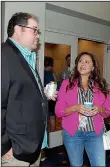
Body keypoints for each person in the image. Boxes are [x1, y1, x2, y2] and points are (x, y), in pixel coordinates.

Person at [1, 12, 57, 166]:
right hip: (15, 151)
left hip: (31, 146)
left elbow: (18, 95)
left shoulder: (27, 57)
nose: (38, 35)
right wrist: (4, 147)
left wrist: (42, 96)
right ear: (18, 29)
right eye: (35, 30)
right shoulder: (3, 55)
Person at [55, 52, 110, 166]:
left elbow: (107, 111)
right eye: (80, 61)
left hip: (95, 134)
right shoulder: (67, 84)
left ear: (93, 67)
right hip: (73, 134)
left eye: (87, 62)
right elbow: (58, 111)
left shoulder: (101, 85)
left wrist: (99, 109)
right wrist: (75, 108)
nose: (83, 64)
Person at [44, 56, 56, 132]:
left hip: (44, 97)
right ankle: (52, 134)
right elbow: (54, 84)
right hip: (51, 97)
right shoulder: (51, 73)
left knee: (46, 117)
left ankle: (47, 134)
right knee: (52, 117)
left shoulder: (39, 71)